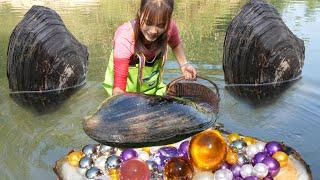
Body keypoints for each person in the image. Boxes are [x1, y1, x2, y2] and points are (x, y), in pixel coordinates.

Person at [103, 0, 197, 96]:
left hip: (151, 89)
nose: (153, 31)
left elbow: (175, 44)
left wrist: (184, 64)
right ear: (140, 13)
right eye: (148, 23)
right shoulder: (125, 37)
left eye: (160, 25)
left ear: (168, 20)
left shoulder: (170, 28)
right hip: (122, 91)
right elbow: (118, 89)